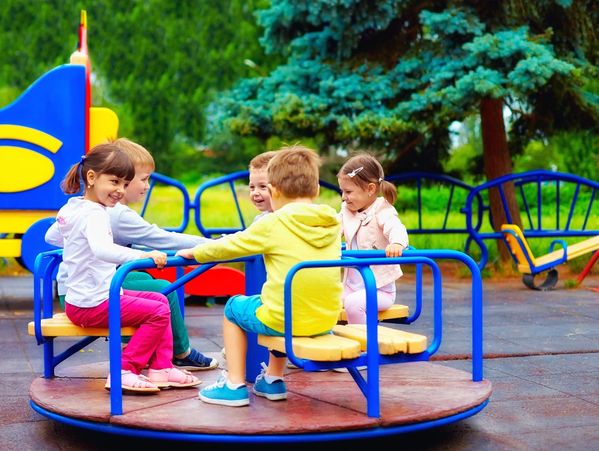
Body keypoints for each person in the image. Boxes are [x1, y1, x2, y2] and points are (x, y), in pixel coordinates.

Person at [177, 145, 342, 407]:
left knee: (234, 308)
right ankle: (273, 380)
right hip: (324, 318)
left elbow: (230, 245)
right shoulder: (332, 222)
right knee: (282, 304)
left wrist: (195, 252)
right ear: (317, 189)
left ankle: (233, 385)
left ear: (274, 190)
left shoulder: (273, 223)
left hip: (286, 318)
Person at [46, 138, 218, 372]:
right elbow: (163, 239)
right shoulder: (111, 213)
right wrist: (217, 245)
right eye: (143, 179)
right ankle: (170, 354)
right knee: (162, 292)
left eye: (125, 182)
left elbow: (52, 236)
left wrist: (78, 246)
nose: (147, 186)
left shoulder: (79, 206)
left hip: (76, 287)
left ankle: (157, 358)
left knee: (151, 284)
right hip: (89, 292)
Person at [337, 153, 409, 324]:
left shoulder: (382, 210)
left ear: (370, 189)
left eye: (348, 192)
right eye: (342, 191)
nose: (343, 197)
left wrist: (397, 243)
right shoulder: (346, 211)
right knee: (323, 299)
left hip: (379, 290)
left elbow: (396, 228)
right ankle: (335, 342)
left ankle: (365, 344)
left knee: (354, 304)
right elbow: (331, 229)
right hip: (350, 287)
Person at [248, 151, 276, 222]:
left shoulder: (285, 220)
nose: (255, 193)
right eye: (252, 187)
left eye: (263, 186)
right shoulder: (260, 219)